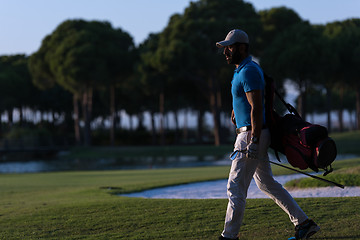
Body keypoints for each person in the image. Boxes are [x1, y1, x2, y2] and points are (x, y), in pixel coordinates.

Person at [215, 29, 320, 240]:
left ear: (242, 47)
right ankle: (304, 223)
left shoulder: (249, 71)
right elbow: (248, 102)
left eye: (230, 47)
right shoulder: (242, 70)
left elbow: (257, 108)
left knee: (235, 187)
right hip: (252, 133)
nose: (226, 51)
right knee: (266, 183)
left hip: (251, 136)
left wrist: (253, 141)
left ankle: (229, 236)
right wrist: (237, 110)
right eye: (225, 47)